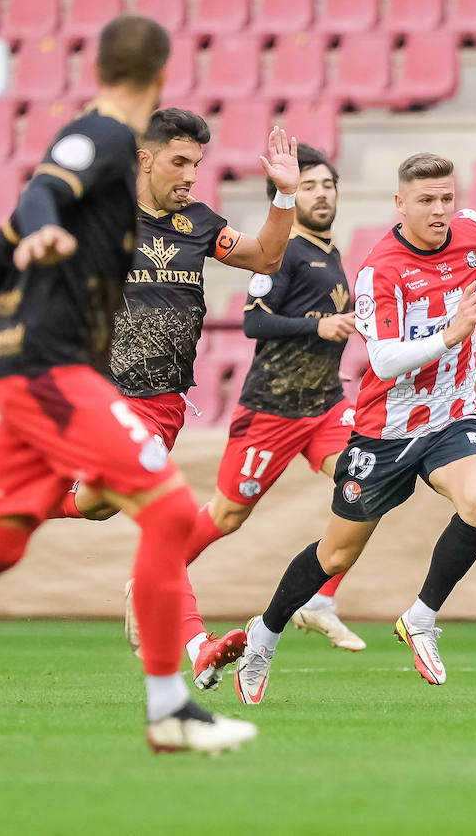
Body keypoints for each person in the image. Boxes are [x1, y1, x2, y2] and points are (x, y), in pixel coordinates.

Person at [0, 17, 257, 766]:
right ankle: (168, 708)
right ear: (158, 77)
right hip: (53, 368)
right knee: (167, 510)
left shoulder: (130, 184)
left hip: (40, 366)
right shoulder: (104, 140)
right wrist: (41, 228)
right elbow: (37, 196)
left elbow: (2, 239)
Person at [0, 108, 303, 689]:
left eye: (196, 164)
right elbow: (7, 259)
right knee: (163, 514)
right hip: (102, 396)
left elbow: (266, 257)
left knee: (99, 503)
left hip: (164, 404)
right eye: (179, 162)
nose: (189, 175)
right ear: (144, 160)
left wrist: (282, 196)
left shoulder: (199, 223)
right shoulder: (103, 222)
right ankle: (196, 645)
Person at [233, 153, 476, 705]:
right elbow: (383, 362)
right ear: (399, 204)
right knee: (335, 557)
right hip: (385, 429)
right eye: (426, 200)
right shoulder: (380, 269)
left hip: (451, 413)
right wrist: (453, 334)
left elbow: (475, 246)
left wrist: (460, 338)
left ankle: (421, 618)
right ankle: (264, 635)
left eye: (446, 198)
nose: (439, 210)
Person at [185, 144, 367, 653]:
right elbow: (253, 321)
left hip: (325, 404)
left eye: (328, 184)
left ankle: (319, 601)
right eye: (308, 186)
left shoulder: (330, 252)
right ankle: (158, 575)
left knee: (365, 483)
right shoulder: (281, 249)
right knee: (227, 515)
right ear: (288, 195)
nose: (322, 193)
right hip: (273, 409)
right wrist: (320, 325)